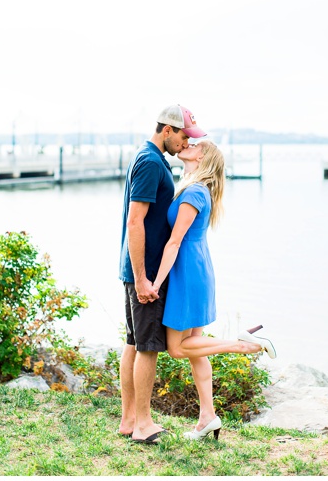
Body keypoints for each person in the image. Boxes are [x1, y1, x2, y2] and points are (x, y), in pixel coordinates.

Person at [149, 138, 276, 442]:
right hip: (196, 268)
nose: (188, 144)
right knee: (195, 348)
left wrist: (154, 283)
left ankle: (245, 345)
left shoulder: (194, 191)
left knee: (178, 348)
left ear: (202, 156)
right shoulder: (197, 188)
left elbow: (174, 241)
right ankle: (207, 417)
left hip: (188, 273)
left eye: (195, 144)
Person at [118, 104, 206, 444]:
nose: (186, 142)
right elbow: (135, 221)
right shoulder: (151, 162)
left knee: (134, 343)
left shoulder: (150, 158)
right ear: (166, 130)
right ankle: (142, 424)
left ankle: (129, 421)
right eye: (184, 135)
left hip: (137, 268)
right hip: (146, 271)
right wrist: (142, 278)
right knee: (148, 348)